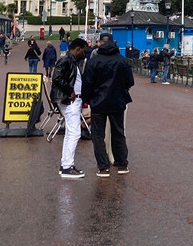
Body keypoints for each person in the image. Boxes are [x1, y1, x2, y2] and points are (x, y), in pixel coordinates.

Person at [82, 33, 133, 177]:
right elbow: (130, 81)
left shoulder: (93, 61)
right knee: (118, 132)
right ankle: (122, 163)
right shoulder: (122, 61)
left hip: (99, 101)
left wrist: (88, 99)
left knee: (98, 135)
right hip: (118, 101)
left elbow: (87, 83)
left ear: (99, 44)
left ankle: (103, 167)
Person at [51, 37, 88, 179]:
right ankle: (67, 166)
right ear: (77, 49)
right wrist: (69, 90)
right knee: (74, 133)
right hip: (71, 100)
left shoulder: (71, 61)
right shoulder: (66, 60)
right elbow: (57, 77)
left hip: (73, 100)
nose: (84, 54)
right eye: (83, 51)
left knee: (70, 133)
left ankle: (65, 164)